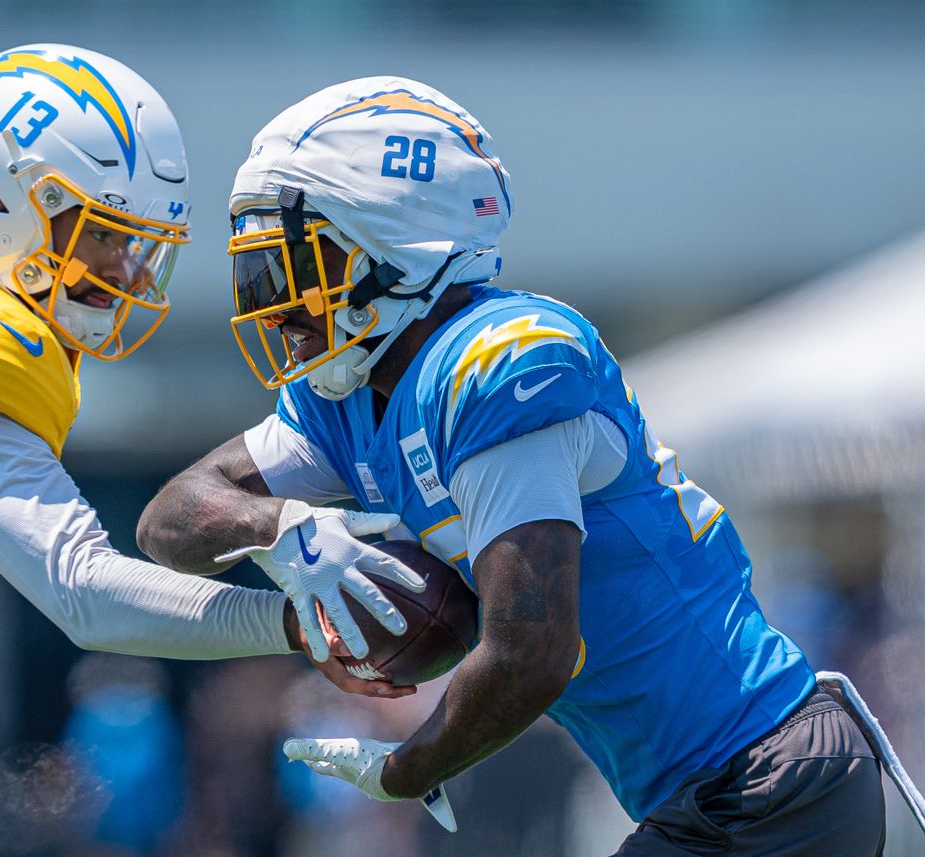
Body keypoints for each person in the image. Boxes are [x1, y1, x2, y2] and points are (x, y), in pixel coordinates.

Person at [136, 77, 888, 854]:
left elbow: (533, 652)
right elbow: (170, 521)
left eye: (298, 261)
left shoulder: (496, 362)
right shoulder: (346, 399)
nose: (276, 302)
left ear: (394, 239)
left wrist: (406, 767)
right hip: (724, 792)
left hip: (770, 776)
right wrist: (281, 525)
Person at [0, 46, 423, 854]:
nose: (122, 268)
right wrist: (298, 623)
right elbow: (83, 589)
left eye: (136, 241)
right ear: (7, 196)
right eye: (97, 233)